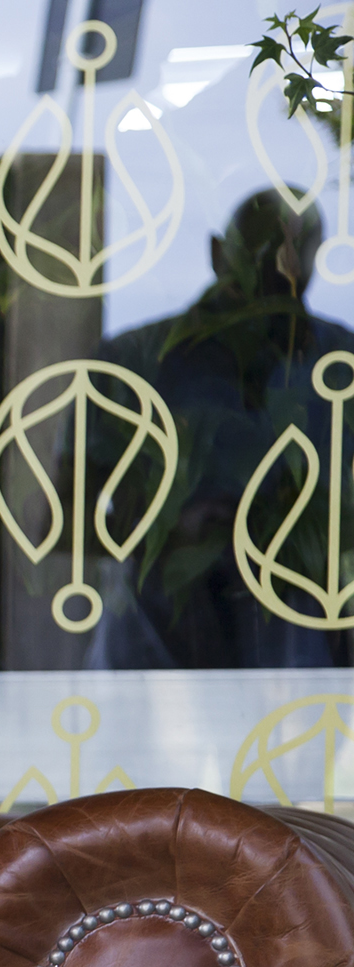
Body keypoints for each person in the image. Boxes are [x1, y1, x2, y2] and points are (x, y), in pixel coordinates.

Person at [92, 189, 354, 671]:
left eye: (296, 256)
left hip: (303, 625)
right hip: (158, 624)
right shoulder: (133, 364)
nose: (279, 272)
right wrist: (173, 528)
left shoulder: (342, 365)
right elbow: (63, 519)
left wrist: (307, 531)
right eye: (261, 255)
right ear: (217, 254)